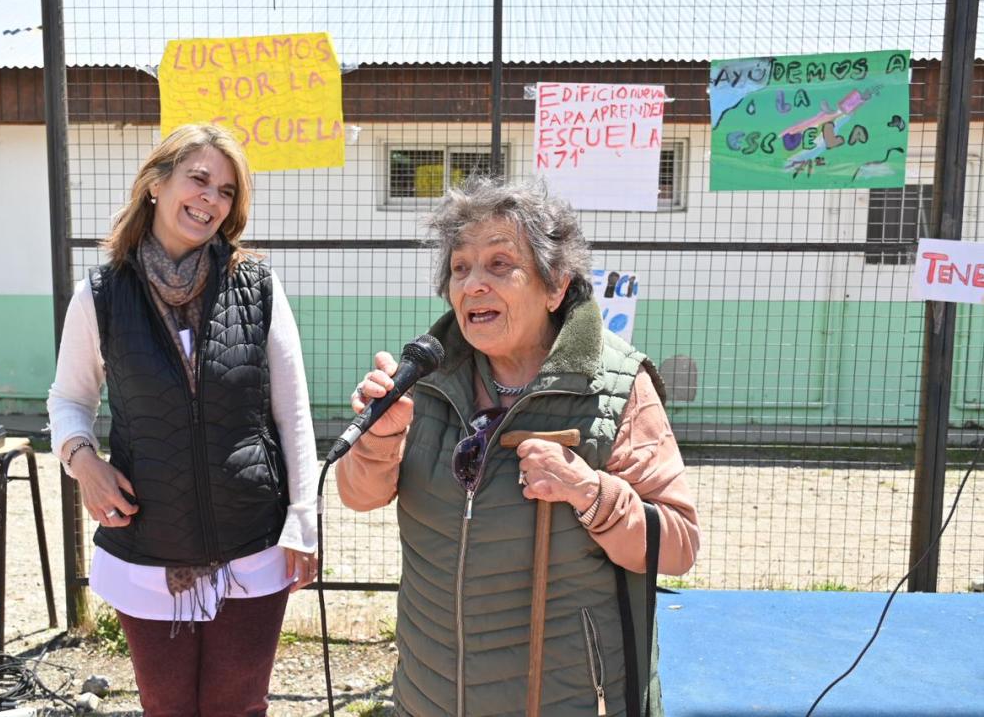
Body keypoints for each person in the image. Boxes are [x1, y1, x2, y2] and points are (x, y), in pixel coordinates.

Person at [336, 176, 700, 716]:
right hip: (429, 694)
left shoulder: (616, 387)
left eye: (499, 264)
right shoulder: (427, 377)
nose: (473, 285)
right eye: (460, 267)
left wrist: (590, 493)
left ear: (555, 286)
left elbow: (677, 546)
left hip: (564, 700)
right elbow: (359, 495)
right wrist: (379, 440)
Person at [47, 123, 318, 716]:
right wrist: (83, 461)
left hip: (253, 542)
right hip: (148, 543)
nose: (210, 199)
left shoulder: (257, 286)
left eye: (226, 190)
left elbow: (293, 411)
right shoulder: (101, 295)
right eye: (199, 179)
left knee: (237, 705)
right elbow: (68, 399)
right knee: (166, 706)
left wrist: (303, 519)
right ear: (156, 184)